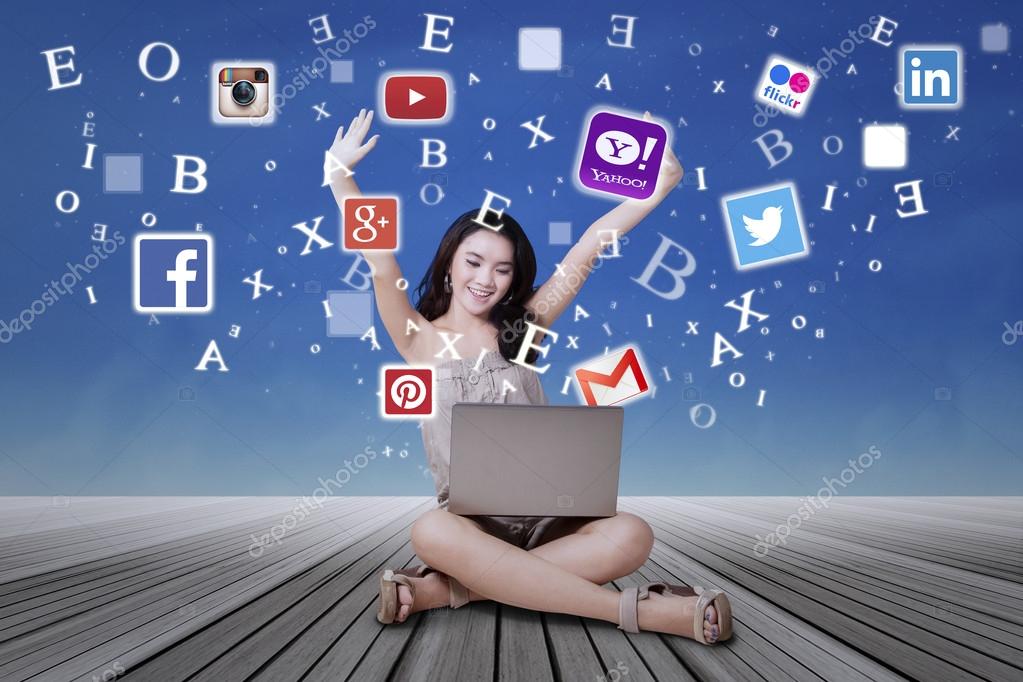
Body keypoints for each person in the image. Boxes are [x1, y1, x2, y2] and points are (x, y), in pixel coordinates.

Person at [327, 109, 732, 644]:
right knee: (427, 531)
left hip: (551, 520)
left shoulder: (523, 334)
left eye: (503, 268)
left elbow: (585, 252)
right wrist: (340, 175)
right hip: (468, 528)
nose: (485, 280)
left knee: (633, 534)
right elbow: (381, 263)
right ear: (449, 263)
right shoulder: (418, 340)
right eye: (473, 262)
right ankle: (639, 612)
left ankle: (451, 591)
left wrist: (657, 190)